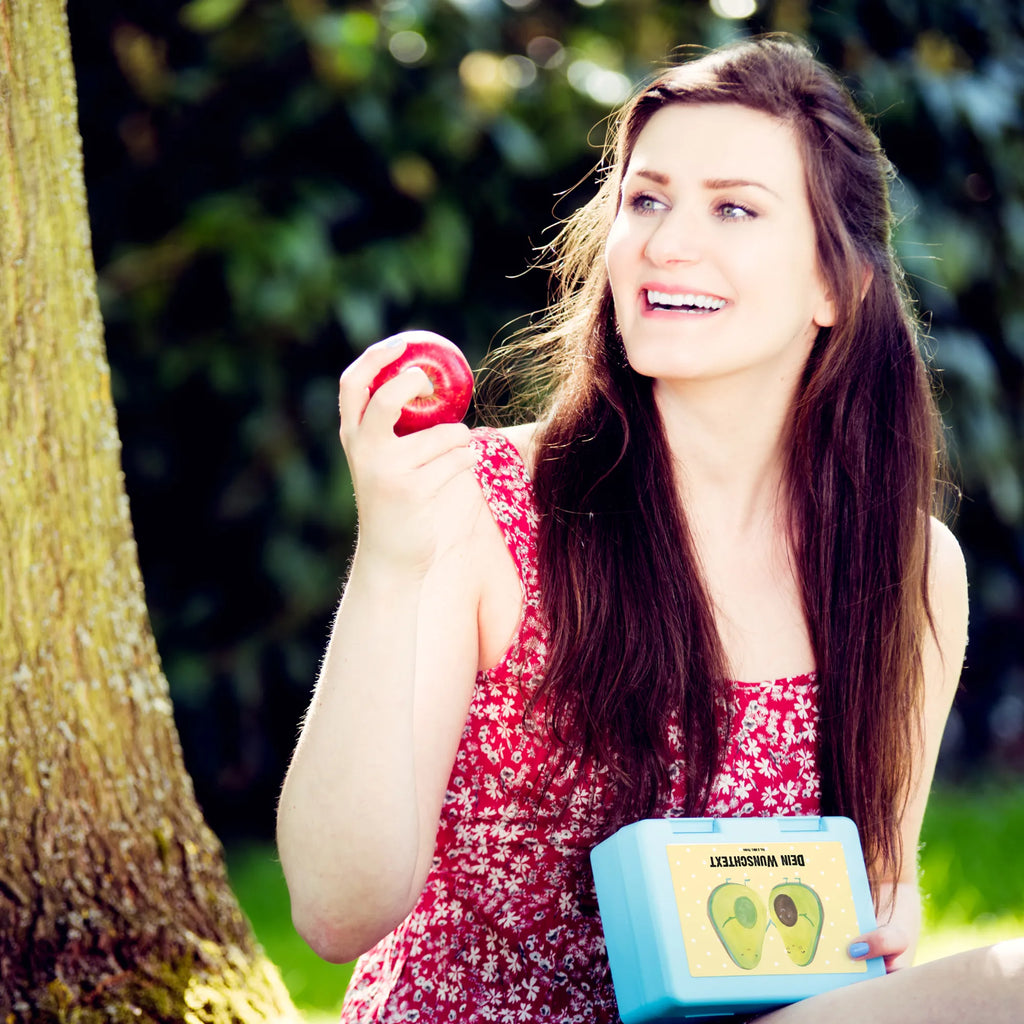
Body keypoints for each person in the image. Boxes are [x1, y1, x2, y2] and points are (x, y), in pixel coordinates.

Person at [276, 34, 1023, 1023]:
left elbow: (874, 900)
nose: (667, 241)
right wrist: (393, 556)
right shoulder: (482, 508)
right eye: (645, 198)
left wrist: (887, 908)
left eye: (732, 207)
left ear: (833, 287)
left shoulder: (909, 569)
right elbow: (335, 913)